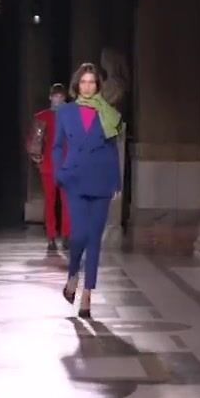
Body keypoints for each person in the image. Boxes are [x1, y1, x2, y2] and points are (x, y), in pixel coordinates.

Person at [53, 63, 122, 319]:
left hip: (101, 179)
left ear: (98, 86)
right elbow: (57, 145)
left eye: (92, 82)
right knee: (79, 234)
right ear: (77, 85)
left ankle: (87, 294)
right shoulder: (66, 112)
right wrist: (59, 172)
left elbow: (113, 150)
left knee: (94, 239)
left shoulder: (108, 113)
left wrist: (116, 182)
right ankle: (73, 274)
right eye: (83, 82)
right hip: (75, 178)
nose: (87, 86)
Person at [29, 83, 70, 252]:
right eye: (55, 96)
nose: (58, 100)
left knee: (67, 203)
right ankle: (51, 237)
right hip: (49, 166)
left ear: (64, 98)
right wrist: (37, 157)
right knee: (50, 201)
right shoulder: (42, 117)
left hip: (67, 165)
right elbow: (35, 141)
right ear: (50, 97)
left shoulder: (72, 117)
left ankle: (66, 236)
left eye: (61, 97)